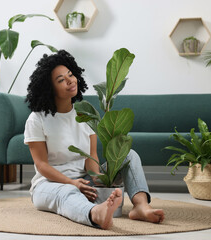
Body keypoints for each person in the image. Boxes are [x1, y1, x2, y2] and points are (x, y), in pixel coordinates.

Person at [24, 50, 165, 229]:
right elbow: (42, 165)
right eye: (61, 80)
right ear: (48, 88)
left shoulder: (86, 114)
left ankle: (141, 206)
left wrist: (98, 178)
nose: (70, 80)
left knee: (129, 155)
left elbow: (91, 157)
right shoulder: (37, 119)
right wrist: (72, 183)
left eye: (70, 74)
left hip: (85, 182)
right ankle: (95, 214)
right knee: (67, 192)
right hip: (50, 185)